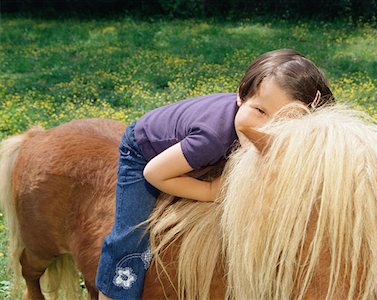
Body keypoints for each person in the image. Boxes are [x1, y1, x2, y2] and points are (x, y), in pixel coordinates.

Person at [96, 49, 335, 299]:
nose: (266, 130)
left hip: (203, 145)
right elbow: (154, 173)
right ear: (241, 95)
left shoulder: (251, 123)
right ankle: (114, 292)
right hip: (143, 154)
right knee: (132, 235)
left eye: (283, 122)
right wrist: (210, 191)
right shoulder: (211, 138)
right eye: (260, 112)